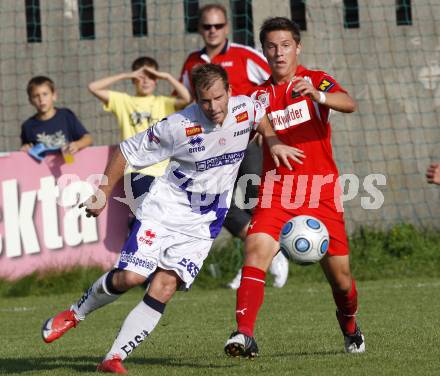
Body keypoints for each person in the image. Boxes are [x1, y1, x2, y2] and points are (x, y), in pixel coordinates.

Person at [41, 64, 305, 374]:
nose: (214, 107)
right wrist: (101, 192)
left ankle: (113, 359)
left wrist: (271, 139)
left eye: (219, 98)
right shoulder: (178, 125)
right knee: (131, 278)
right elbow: (126, 151)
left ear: (230, 93)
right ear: (196, 99)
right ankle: (74, 314)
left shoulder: (244, 108)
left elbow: (260, 114)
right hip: (165, 210)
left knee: (165, 286)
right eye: (205, 101)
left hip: (204, 222)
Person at [224, 17, 364, 358]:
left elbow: (348, 102)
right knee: (255, 252)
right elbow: (246, 122)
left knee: (342, 281)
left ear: (297, 47)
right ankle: (244, 334)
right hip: (277, 192)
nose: (279, 52)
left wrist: (319, 95)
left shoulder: (315, 80)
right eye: (271, 46)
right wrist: (263, 136)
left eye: (285, 45)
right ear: (264, 51)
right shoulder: (257, 97)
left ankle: (349, 325)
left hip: (321, 191)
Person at [179, 3, 289, 288]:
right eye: (207, 26)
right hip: (212, 149)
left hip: (248, 140)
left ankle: (257, 262)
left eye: (218, 26)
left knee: (253, 199)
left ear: (226, 27)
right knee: (216, 203)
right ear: (200, 29)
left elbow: (271, 84)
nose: (212, 31)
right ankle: (270, 254)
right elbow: (183, 99)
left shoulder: (244, 55)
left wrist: (265, 124)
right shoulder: (192, 62)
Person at [88, 56, 191, 198]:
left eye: (151, 76)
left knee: (158, 217)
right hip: (137, 170)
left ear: (156, 80)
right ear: (133, 79)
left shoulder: (163, 102)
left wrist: (166, 76)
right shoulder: (123, 101)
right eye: (141, 76)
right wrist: (126, 75)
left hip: (163, 172)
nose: (145, 80)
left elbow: (187, 98)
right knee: (146, 213)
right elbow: (93, 87)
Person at [20, 76, 93, 154]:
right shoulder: (28, 126)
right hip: (42, 166)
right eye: (36, 96)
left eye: (45, 94)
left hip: (69, 164)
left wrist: (77, 145)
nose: (41, 99)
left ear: (54, 96)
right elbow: (26, 153)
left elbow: (88, 138)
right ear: (30, 100)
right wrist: (26, 149)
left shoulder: (66, 116)